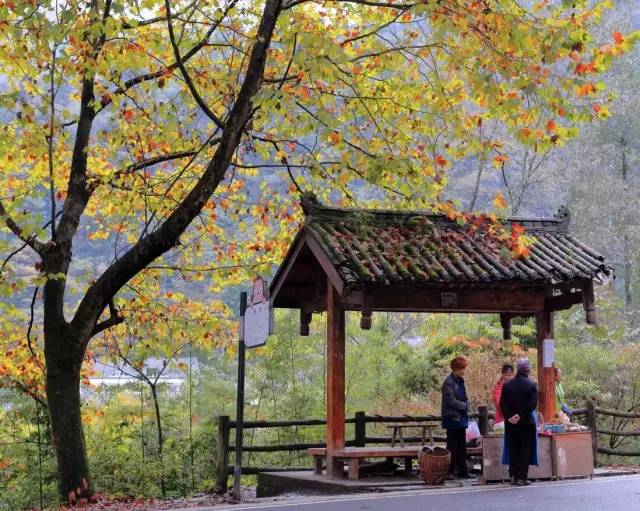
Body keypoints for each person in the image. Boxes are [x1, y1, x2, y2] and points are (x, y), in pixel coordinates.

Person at [500, 357, 538, 486]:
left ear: (517, 369)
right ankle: (522, 477)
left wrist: (510, 416)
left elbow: (502, 404)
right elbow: (532, 404)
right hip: (526, 422)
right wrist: (520, 415)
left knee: (513, 448)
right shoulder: (531, 385)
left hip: (511, 423)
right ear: (527, 370)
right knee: (525, 449)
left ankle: (512, 476)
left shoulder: (507, 386)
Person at [441, 356, 471, 479]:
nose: (463, 371)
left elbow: (463, 396)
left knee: (462, 445)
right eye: (460, 369)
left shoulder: (460, 381)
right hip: (452, 418)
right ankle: (450, 471)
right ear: (454, 369)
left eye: (463, 368)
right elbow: (450, 401)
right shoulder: (448, 382)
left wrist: (467, 403)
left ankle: (463, 471)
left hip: (461, 417)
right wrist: (464, 405)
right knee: (452, 446)